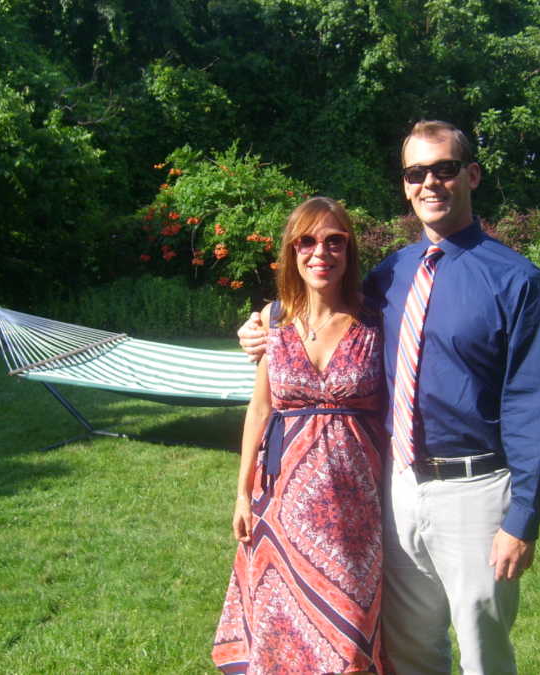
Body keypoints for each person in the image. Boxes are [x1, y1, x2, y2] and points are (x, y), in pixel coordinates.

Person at [238, 120, 540, 674]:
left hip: (476, 491)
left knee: (483, 650)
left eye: (444, 169)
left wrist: (523, 518)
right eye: (417, 173)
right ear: (405, 183)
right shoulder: (391, 278)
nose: (430, 183)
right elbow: (320, 304)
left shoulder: (516, 281)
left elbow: (538, 406)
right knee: (410, 649)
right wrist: (263, 324)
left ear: (472, 175)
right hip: (395, 488)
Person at [211, 197, 388, 674]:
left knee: (349, 633)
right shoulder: (274, 319)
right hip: (281, 504)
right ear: (291, 252)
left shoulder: (376, 319)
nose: (320, 253)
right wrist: (243, 494)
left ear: (349, 252)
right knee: (282, 626)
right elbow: (261, 407)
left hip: (354, 511)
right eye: (306, 242)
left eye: (335, 241)